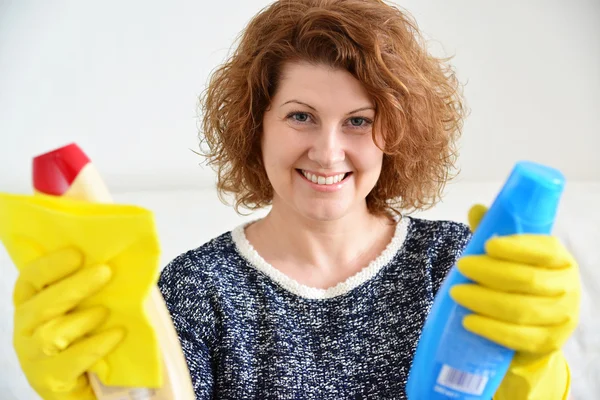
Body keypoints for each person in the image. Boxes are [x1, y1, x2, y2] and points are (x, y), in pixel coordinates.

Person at [11, 0, 581, 399]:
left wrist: (536, 372)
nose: (328, 151)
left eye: (358, 121)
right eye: (301, 116)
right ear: (255, 125)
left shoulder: (457, 264)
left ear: (398, 133)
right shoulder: (194, 289)